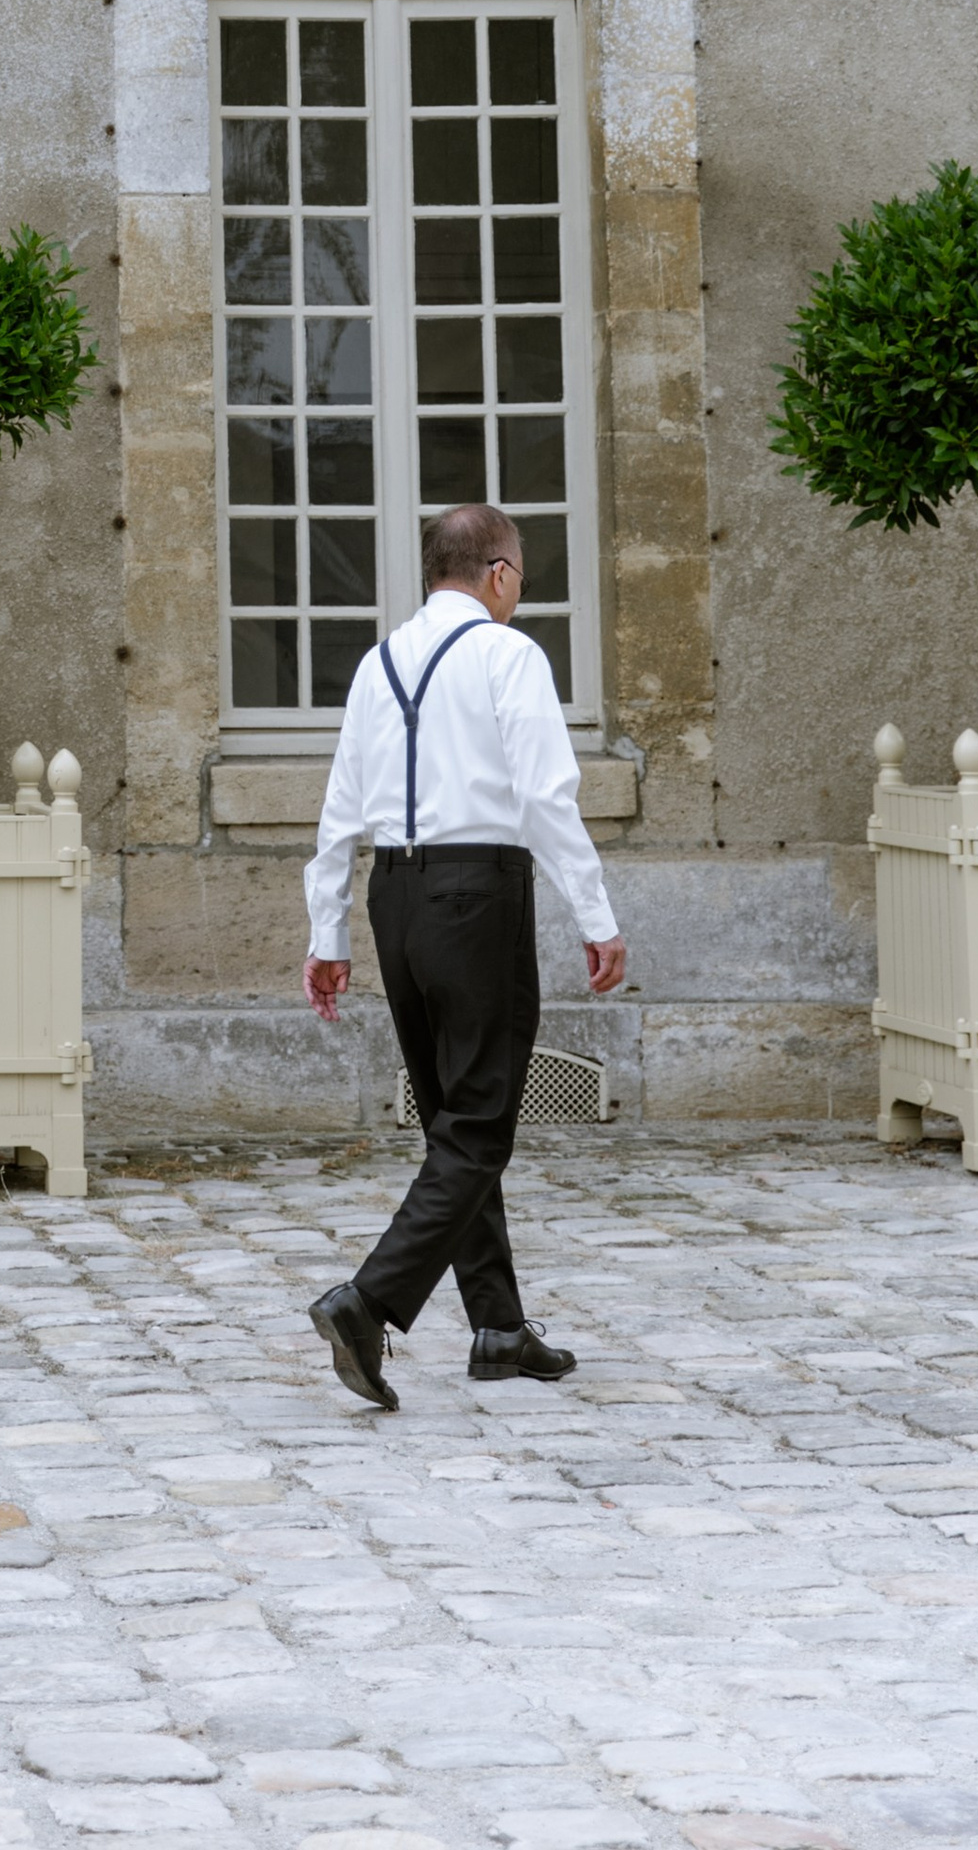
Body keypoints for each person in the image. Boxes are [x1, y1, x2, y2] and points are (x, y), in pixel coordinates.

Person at [301, 502, 628, 1409]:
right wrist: (597, 916)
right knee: (478, 1122)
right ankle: (367, 1302)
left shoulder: (378, 662)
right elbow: (546, 795)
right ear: (498, 574)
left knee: (452, 1119)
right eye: (520, 575)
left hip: (392, 900)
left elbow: (339, 809)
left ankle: (498, 1325)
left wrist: (327, 935)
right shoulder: (507, 653)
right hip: (476, 894)